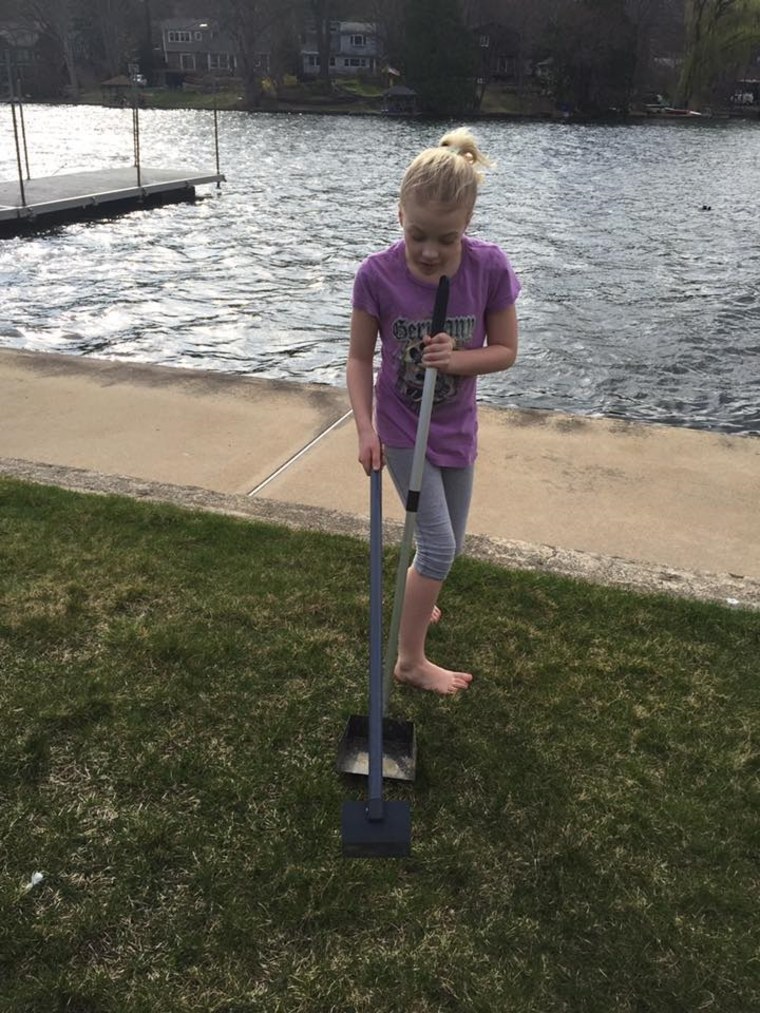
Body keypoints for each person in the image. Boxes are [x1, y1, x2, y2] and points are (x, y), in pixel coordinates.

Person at [346, 127, 520, 696]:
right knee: (440, 547)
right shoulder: (377, 275)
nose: (428, 251)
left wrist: (458, 359)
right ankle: (410, 660)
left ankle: (422, 592)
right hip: (401, 430)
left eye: (445, 239)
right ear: (399, 214)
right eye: (418, 234)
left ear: (466, 225)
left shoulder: (488, 269)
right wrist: (366, 428)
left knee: (446, 547)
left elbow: (505, 352)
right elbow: (357, 358)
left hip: (455, 428)